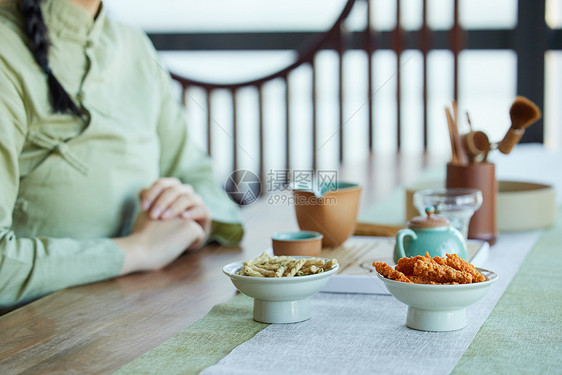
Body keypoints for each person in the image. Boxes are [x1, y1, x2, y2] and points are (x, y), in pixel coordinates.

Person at [0, 0, 243, 309]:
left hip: (145, 312)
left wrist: (193, 218)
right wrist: (137, 250)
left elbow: (201, 180)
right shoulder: (6, 51)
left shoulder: (134, 46)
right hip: (35, 337)